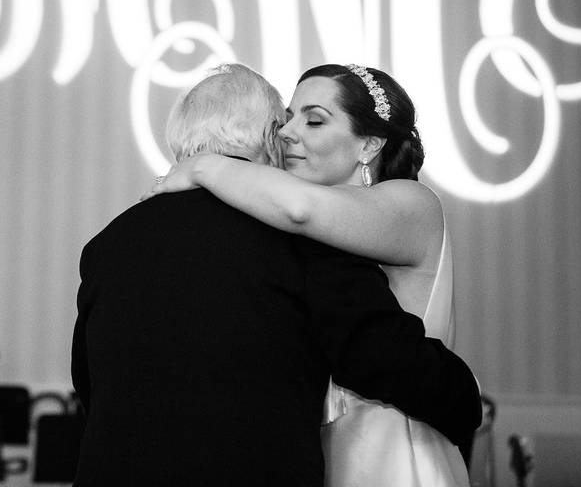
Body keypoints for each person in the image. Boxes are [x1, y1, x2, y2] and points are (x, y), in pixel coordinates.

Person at [71, 63, 481, 486]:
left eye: (313, 119)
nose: (286, 133)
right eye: (285, 119)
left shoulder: (405, 201)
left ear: (370, 144)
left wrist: (202, 167)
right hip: (324, 452)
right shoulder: (296, 233)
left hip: (390, 454)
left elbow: (302, 213)